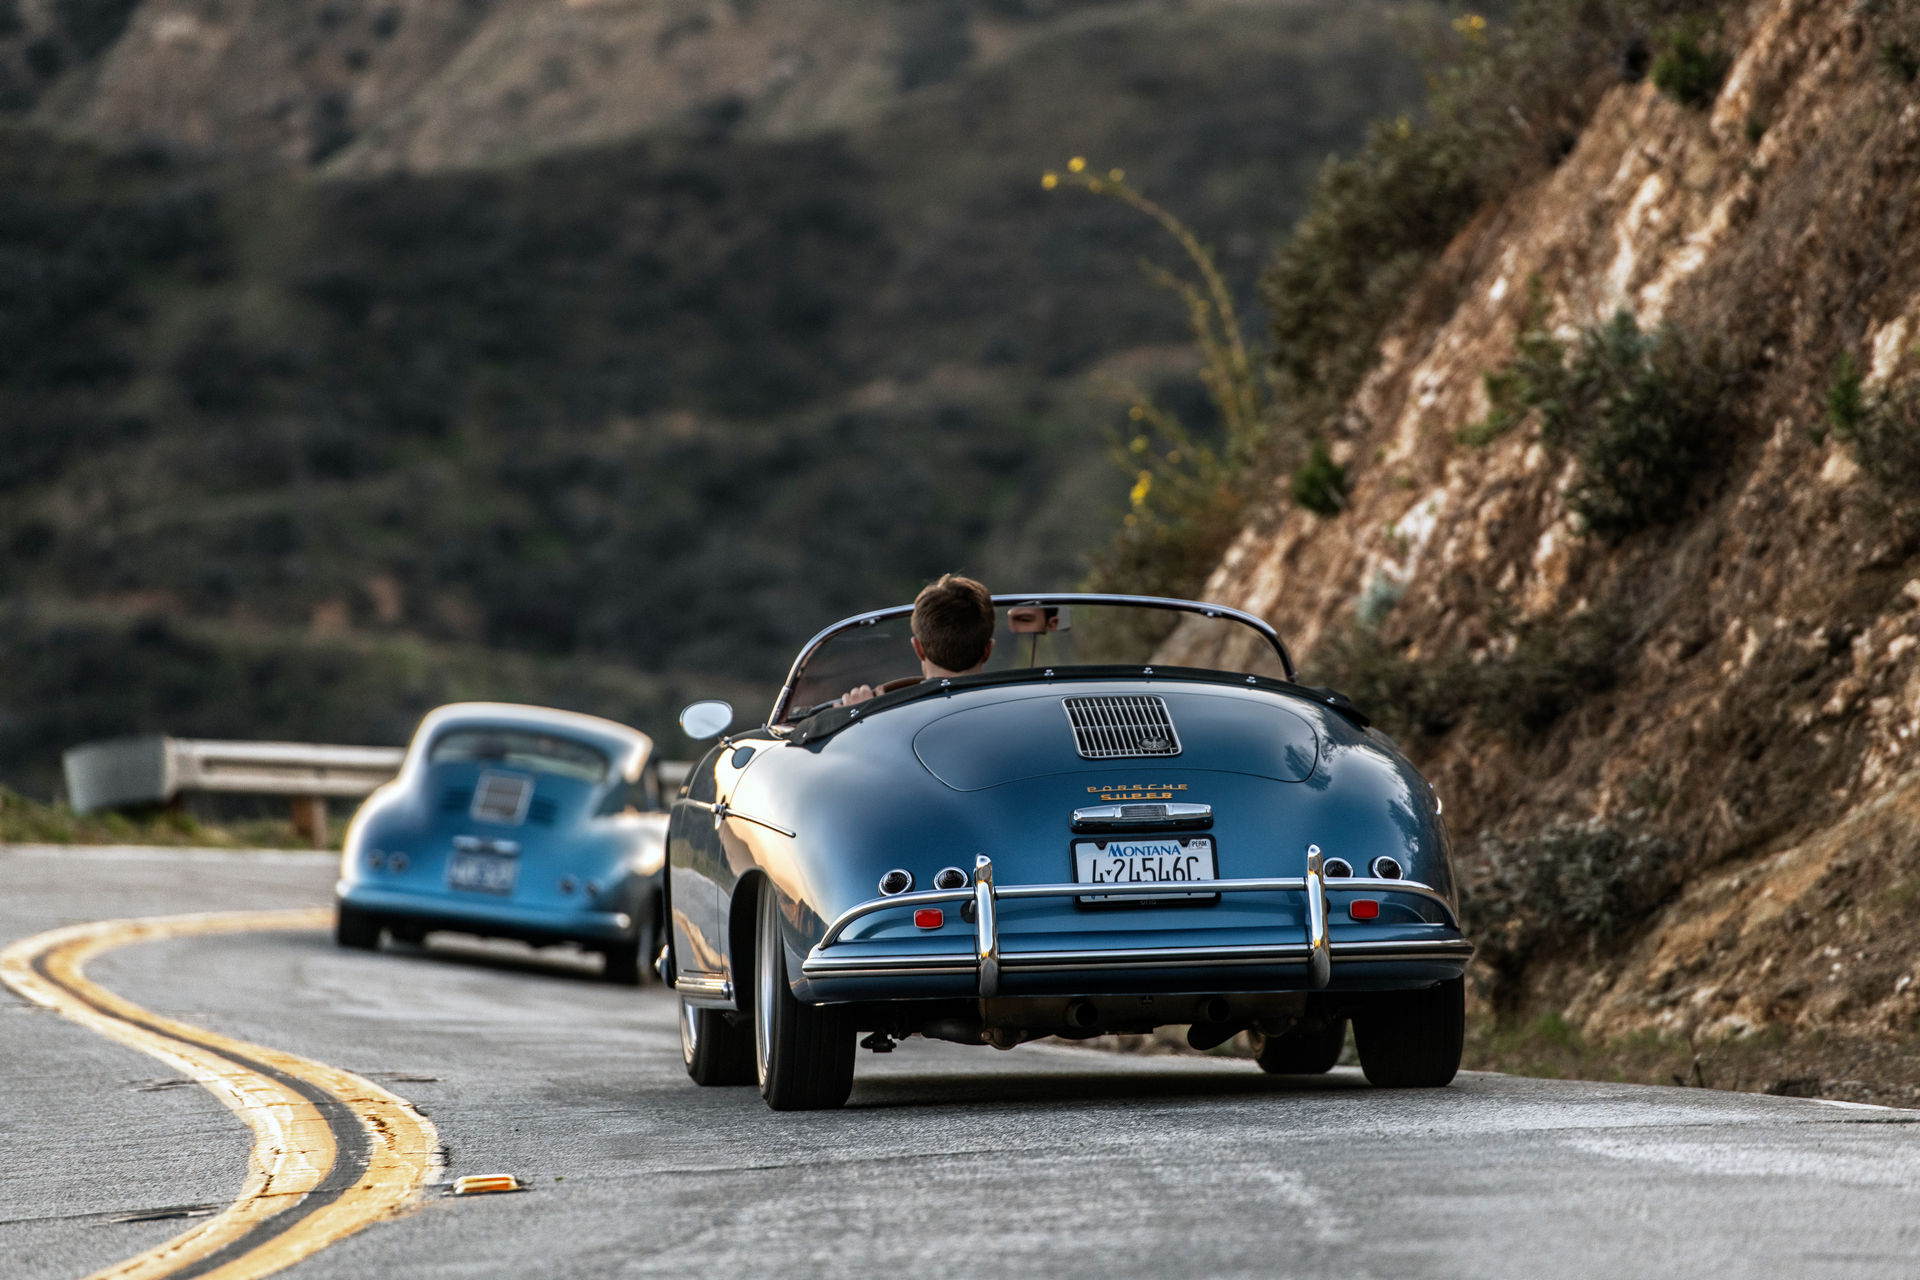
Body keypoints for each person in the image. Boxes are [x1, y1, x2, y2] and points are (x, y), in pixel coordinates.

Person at [842, 574, 994, 706]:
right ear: (988, 650)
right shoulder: (1006, 706)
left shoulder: (892, 719)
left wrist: (863, 716)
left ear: (918, 649)